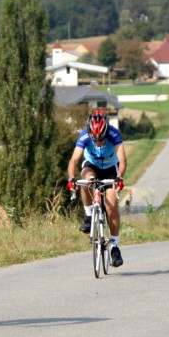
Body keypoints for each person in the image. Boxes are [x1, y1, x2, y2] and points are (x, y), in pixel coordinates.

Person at [67, 110, 127, 267]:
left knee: (111, 205)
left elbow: (122, 159)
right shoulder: (85, 135)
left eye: (101, 139)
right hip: (91, 166)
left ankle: (115, 247)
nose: (99, 142)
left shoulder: (114, 134)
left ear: (106, 132)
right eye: (96, 139)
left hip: (110, 168)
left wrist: (119, 177)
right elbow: (74, 159)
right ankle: (88, 216)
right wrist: (71, 179)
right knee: (86, 181)